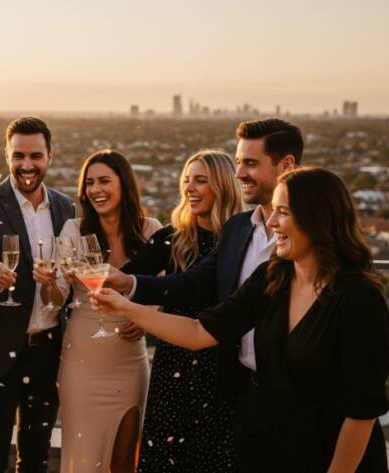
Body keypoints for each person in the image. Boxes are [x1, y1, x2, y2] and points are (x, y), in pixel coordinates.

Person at [91, 167, 389, 473]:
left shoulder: (359, 298)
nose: (271, 222)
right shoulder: (273, 278)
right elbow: (198, 332)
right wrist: (124, 308)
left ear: (317, 218)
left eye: (282, 212)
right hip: (275, 449)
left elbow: (361, 413)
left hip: (336, 458)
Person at [104, 118, 304, 472]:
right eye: (239, 162)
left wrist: (133, 301)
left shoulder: (302, 241)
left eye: (250, 163)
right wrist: (129, 290)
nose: (240, 171)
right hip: (230, 379)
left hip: (268, 389)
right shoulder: (240, 231)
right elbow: (191, 285)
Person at [0, 117, 75, 473]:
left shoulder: (64, 207)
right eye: (19, 156)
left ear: (50, 156)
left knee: (36, 457)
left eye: (36, 156)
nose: (27, 165)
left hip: (47, 349)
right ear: (6, 155)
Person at [121, 150, 243, 472]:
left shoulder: (239, 241)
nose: (189, 188)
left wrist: (138, 300)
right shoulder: (172, 239)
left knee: (210, 457)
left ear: (224, 186)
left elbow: (188, 286)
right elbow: (129, 276)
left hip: (219, 366)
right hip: (173, 366)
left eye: (201, 181)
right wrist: (137, 311)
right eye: (186, 180)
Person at [55, 150, 161, 473]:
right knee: (83, 461)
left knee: (125, 462)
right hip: (82, 361)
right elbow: (58, 294)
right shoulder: (74, 230)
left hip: (129, 361)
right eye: (89, 183)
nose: (95, 190)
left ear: (124, 184)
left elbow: (165, 290)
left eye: (104, 181)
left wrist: (145, 318)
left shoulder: (152, 230)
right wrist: (47, 283)